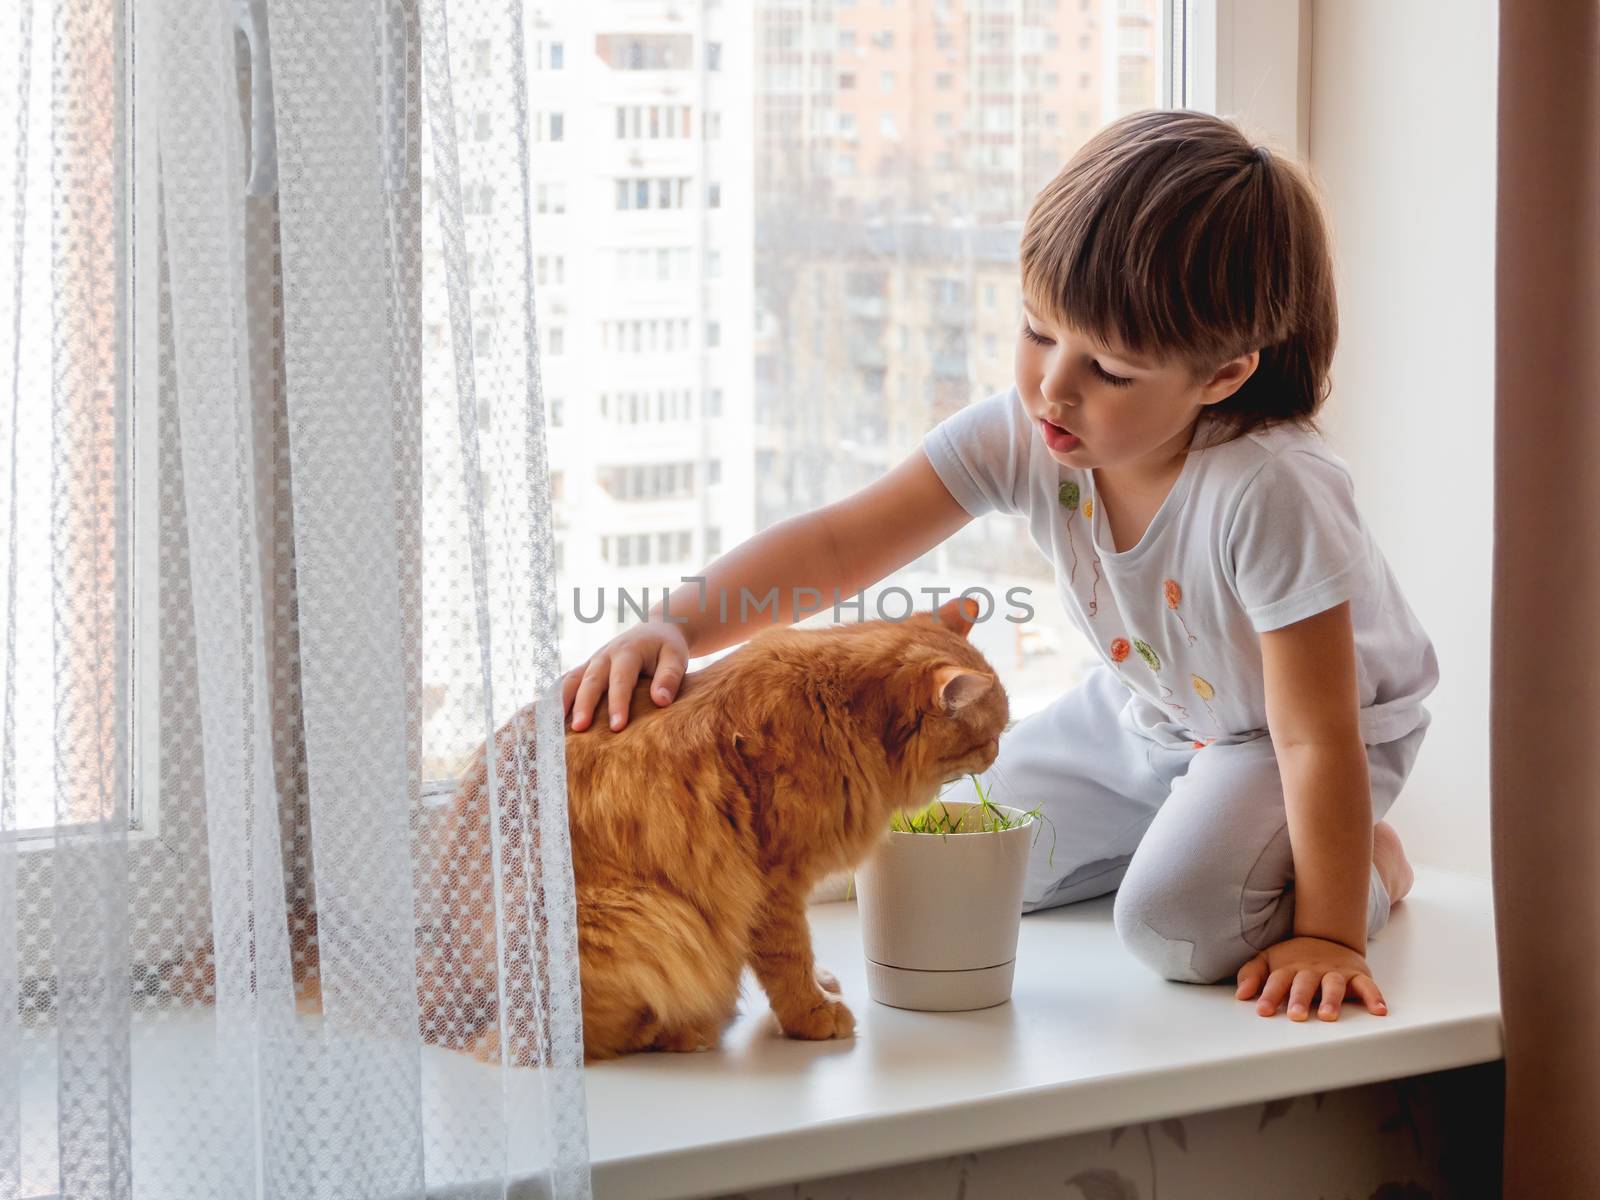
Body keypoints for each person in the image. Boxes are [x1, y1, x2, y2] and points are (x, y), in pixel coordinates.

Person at [561, 110, 1438, 1023]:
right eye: (1037, 331)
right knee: (946, 846)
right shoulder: (1033, 430)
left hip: (1299, 738)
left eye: (1109, 366)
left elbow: (1314, 737)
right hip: (1152, 713)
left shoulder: (1271, 490)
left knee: (1175, 928)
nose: (1055, 385)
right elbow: (835, 545)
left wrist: (1331, 933)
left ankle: (1363, 863)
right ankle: (1202, 832)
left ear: (1222, 376)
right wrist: (674, 625)